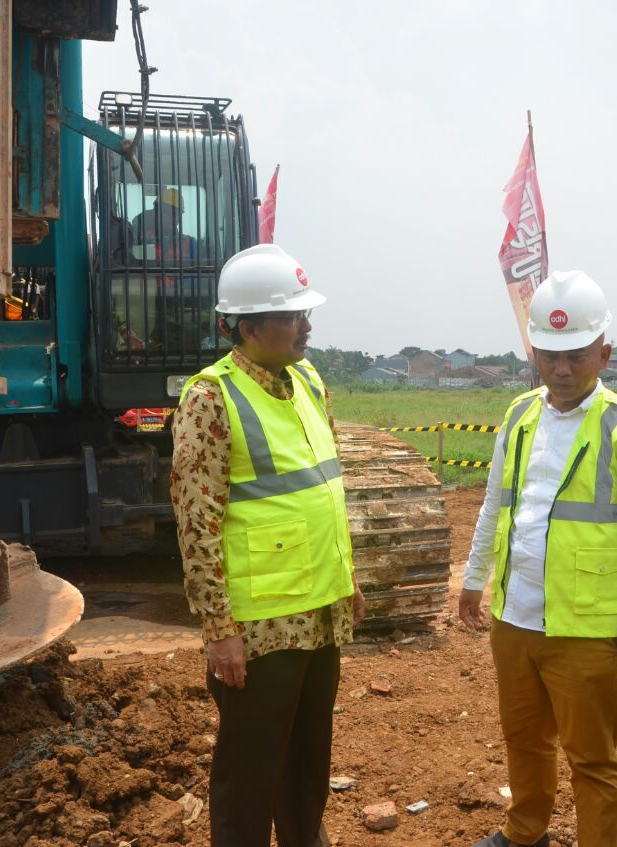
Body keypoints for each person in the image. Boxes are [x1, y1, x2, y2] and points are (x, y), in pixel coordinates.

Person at [459, 270, 617, 847]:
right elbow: (493, 505)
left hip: (585, 625)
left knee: (592, 759)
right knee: (523, 739)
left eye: (576, 355)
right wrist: (473, 578)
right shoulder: (520, 416)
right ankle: (524, 832)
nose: (561, 368)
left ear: (604, 353)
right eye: (549, 355)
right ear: (533, 351)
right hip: (515, 616)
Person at [169, 243, 365, 847]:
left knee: (309, 764)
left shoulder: (308, 380)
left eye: (306, 314)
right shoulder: (210, 399)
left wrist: (348, 581)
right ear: (246, 327)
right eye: (292, 316)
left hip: (321, 612)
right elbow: (196, 523)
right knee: (250, 775)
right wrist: (218, 627)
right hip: (260, 628)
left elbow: (326, 489)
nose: (307, 326)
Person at [133, 186, 185, 256]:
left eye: (176, 213)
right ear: (155, 213)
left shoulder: (188, 243)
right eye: (166, 212)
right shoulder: (138, 238)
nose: (172, 218)